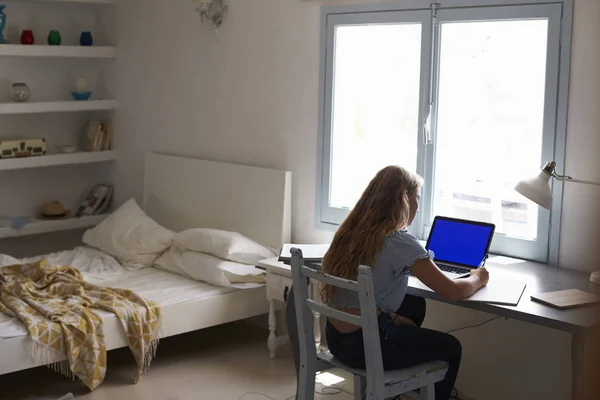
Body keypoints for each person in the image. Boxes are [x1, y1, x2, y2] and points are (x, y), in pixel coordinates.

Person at [322, 165, 489, 400]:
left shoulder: (350, 233)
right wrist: (478, 277)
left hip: (336, 340)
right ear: (405, 200)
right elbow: (452, 291)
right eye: (417, 198)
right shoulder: (398, 241)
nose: (418, 207)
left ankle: (392, 392)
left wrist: (393, 317)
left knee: (414, 304)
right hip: (366, 349)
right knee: (451, 348)